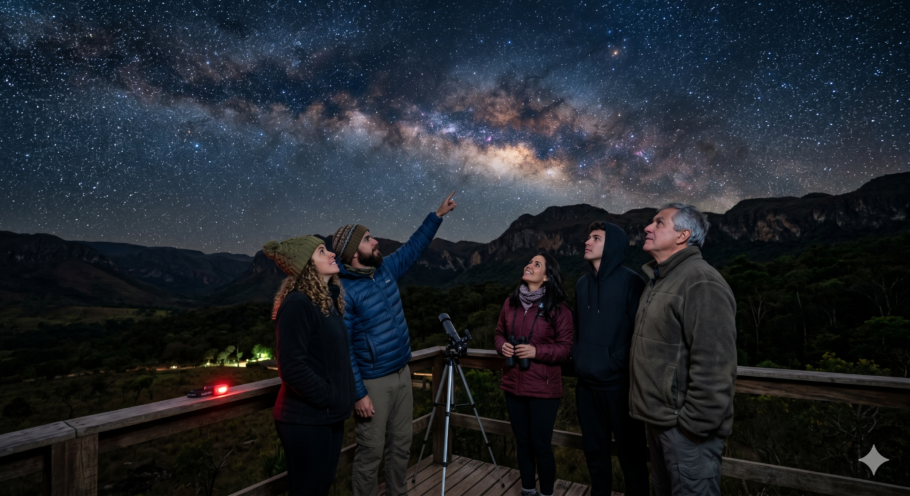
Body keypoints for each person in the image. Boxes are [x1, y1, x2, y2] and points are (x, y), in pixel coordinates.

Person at [334, 192, 457, 496]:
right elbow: (345, 347)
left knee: (401, 444)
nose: (375, 241)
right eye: (367, 239)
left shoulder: (385, 269)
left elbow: (414, 247)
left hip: (403, 372)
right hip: (373, 383)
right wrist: (359, 394)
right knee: (371, 453)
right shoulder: (344, 292)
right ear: (353, 254)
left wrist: (436, 216)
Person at [629, 203, 737, 496]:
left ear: (683, 235)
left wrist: (691, 427)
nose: (647, 228)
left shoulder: (701, 281)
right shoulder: (659, 279)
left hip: (685, 431)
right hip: (659, 422)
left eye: (659, 223)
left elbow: (715, 366)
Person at [263, 235, 356, 496]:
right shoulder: (297, 304)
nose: (331, 254)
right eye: (321, 251)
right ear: (306, 264)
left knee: (322, 487)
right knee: (307, 491)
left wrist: (339, 401)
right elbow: (292, 367)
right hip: (305, 420)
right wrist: (331, 397)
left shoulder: (327, 302)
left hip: (329, 416)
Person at [573, 221, 650, 496]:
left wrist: (612, 364)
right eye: (588, 236)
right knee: (595, 455)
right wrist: (578, 358)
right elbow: (577, 329)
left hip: (620, 388)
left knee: (632, 458)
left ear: (613, 246)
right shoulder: (582, 284)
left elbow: (639, 334)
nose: (588, 241)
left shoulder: (632, 282)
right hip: (586, 387)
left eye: (596, 238)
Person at [494, 251, 574, 496]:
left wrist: (536, 351)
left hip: (543, 389)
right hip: (513, 386)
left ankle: (547, 493)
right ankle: (528, 491)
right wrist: (502, 346)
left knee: (541, 447)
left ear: (547, 277)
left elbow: (565, 349)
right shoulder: (511, 303)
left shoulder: (559, 309)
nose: (529, 265)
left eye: (536, 264)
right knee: (523, 444)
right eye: (529, 262)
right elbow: (498, 333)